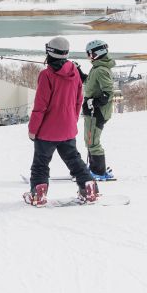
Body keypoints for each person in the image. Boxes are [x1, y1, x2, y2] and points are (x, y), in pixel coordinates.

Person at [23, 36, 98, 206]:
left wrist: (33, 129)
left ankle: (38, 195)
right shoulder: (74, 73)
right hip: (68, 129)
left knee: (41, 164)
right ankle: (89, 188)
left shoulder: (46, 75)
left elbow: (40, 107)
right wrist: (72, 120)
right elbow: (78, 101)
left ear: (49, 52)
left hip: (47, 132)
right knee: (74, 161)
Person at [82, 39, 116, 181]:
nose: (88, 56)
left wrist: (93, 102)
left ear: (97, 53)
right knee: (89, 140)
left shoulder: (101, 70)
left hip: (97, 112)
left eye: (89, 53)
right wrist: (78, 72)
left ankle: (98, 171)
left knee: (92, 141)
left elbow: (108, 92)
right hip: (94, 111)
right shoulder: (97, 68)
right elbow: (90, 83)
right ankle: (95, 167)